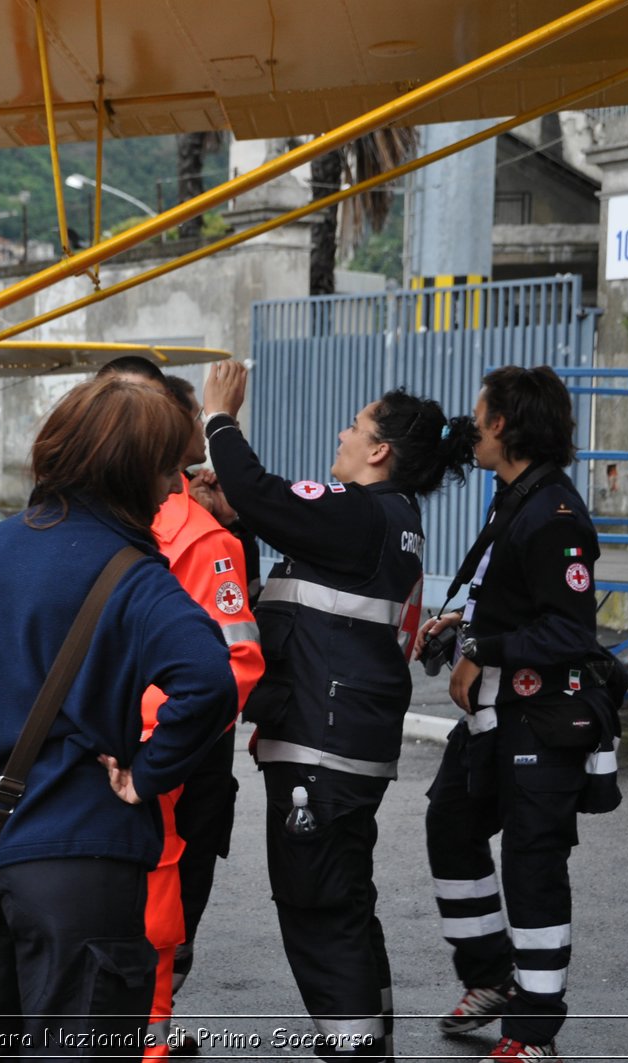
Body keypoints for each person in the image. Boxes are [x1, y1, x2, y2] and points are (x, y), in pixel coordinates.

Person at [0, 374, 237, 1058]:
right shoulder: (133, 574)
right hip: (80, 864)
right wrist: (148, 771)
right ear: (134, 472)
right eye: (170, 469)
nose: (176, 488)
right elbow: (210, 681)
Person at [201, 359, 475, 1061]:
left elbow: (260, 492)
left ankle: (355, 1052)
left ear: (380, 451)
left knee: (318, 907)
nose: (342, 434)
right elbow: (283, 544)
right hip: (341, 740)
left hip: (322, 747)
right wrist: (237, 513)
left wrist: (220, 418)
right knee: (343, 903)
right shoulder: (390, 522)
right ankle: (370, 1043)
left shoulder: (361, 511)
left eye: (355, 426)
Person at [413, 365, 600, 1063]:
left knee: (533, 866)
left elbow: (570, 633)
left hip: (540, 720)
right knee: (451, 825)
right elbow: (509, 592)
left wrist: (483, 645)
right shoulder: (514, 495)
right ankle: (491, 978)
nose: (471, 427)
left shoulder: (555, 515)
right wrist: (462, 621)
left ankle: (533, 1032)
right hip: (493, 715)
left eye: (478, 412)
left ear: (502, 424)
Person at [98, 361, 265, 1055]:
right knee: (163, 915)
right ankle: (147, 1037)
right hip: (168, 765)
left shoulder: (79, 519)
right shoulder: (204, 536)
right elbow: (239, 664)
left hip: (106, 755)